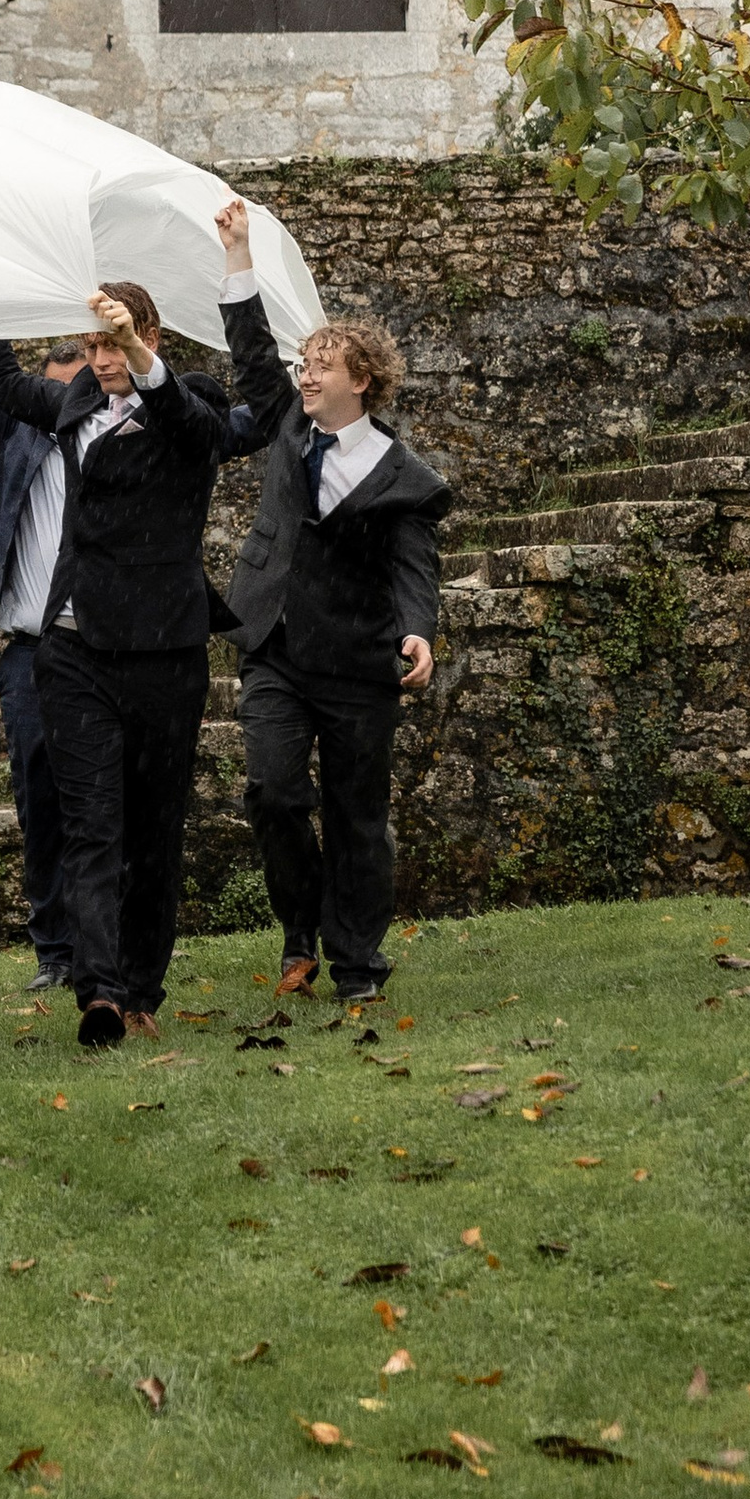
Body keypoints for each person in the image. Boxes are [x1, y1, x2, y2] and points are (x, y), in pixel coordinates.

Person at [0, 278, 274, 1050]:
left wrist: (157, 338)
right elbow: (0, 380)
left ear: (151, 337)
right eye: (94, 345)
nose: (101, 359)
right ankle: (99, 991)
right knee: (91, 825)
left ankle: (140, 989)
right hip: (75, 649)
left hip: (166, 651)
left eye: (115, 344)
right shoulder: (73, 404)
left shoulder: (190, 403)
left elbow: (248, 414)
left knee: (154, 832)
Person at [212, 198, 451, 1007]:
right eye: (304, 365)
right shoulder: (286, 423)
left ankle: (356, 964)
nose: (305, 376)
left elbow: (414, 569)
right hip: (273, 646)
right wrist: (238, 255)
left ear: (362, 381)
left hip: (356, 661)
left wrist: (418, 633)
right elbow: (252, 354)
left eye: (321, 367)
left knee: (357, 816)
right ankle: (298, 932)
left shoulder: (408, 479)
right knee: (273, 793)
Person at [0, 333, 93, 993]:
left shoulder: (115, 439)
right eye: (50, 391)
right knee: (39, 800)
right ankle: (55, 950)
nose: (61, 402)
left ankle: (111, 942)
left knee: (109, 799)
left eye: (76, 391)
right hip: (30, 651)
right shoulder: (13, 432)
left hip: (103, 649)